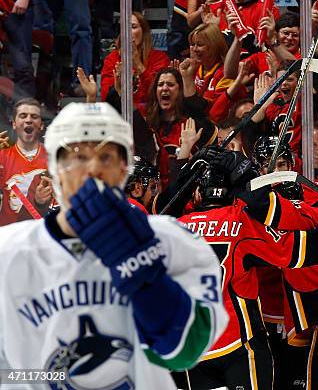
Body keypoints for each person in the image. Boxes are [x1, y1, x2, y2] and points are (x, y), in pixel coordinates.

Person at [0, 102, 228, 386]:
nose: (93, 168)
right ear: (55, 168)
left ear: (123, 168)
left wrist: (143, 270)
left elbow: (184, 352)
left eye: (105, 156)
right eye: (79, 156)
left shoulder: (172, 240)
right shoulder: (8, 253)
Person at [169, 147, 318, 389]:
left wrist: (185, 170)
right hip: (239, 346)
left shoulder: (174, 228)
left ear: (199, 194)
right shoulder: (240, 221)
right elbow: (299, 253)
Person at [100, 12, 170, 113]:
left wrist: (138, 65)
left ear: (144, 31)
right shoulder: (112, 59)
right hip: (121, 116)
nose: (128, 32)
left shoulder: (159, 58)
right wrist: (117, 86)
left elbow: (159, 95)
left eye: (133, 27)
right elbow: (105, 97)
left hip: (152, 117)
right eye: (124, 28)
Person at [0, 98, 51, 226]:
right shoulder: (2, 156)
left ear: (41, 125)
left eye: (34, 116)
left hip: (44, 234)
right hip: (9, 237)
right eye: (23, 116)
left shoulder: (54, 157)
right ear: (14, 123)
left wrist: (91, 100)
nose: (28, 120)